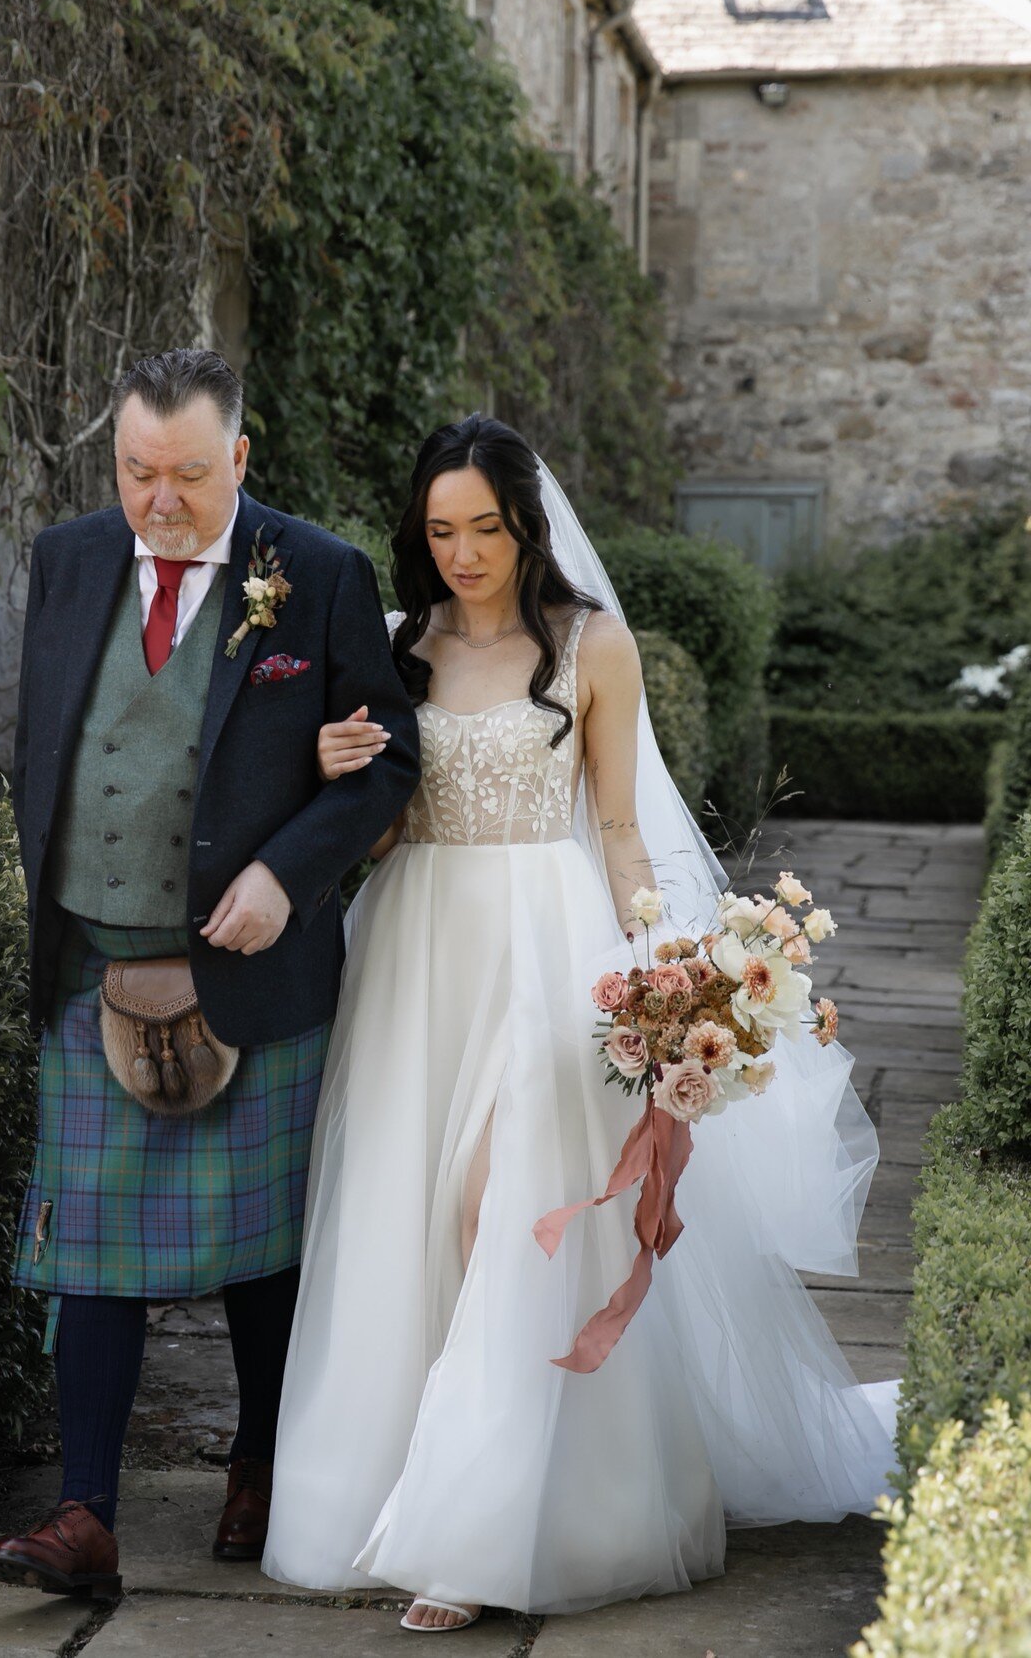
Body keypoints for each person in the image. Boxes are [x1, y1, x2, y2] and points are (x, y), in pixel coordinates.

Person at [261, 414, 896, 1631]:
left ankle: (478, 1533)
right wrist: (340, 771)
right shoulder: (398, 646)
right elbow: (381, 831)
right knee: (409, 1220)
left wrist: (662, 975)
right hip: (413, 947)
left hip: (549, 949)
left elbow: (616, 827)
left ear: (526, 526)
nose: (463, 553)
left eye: (485, 528)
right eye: (441, 530)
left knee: (500, 1203)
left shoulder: (594, 645)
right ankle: (398, 1490)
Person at [0, 348, 419, 1598]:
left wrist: (291, 872)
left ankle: (263, 1465)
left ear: (239, 456)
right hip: (90, 966)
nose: (157, 500)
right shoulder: (68, 558)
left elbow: (389, 759)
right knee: (91, 1253)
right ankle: (84, 1514)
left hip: (253, 974)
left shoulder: (319, 575)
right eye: (134, 471)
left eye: (184, 473)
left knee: (265, 1250)